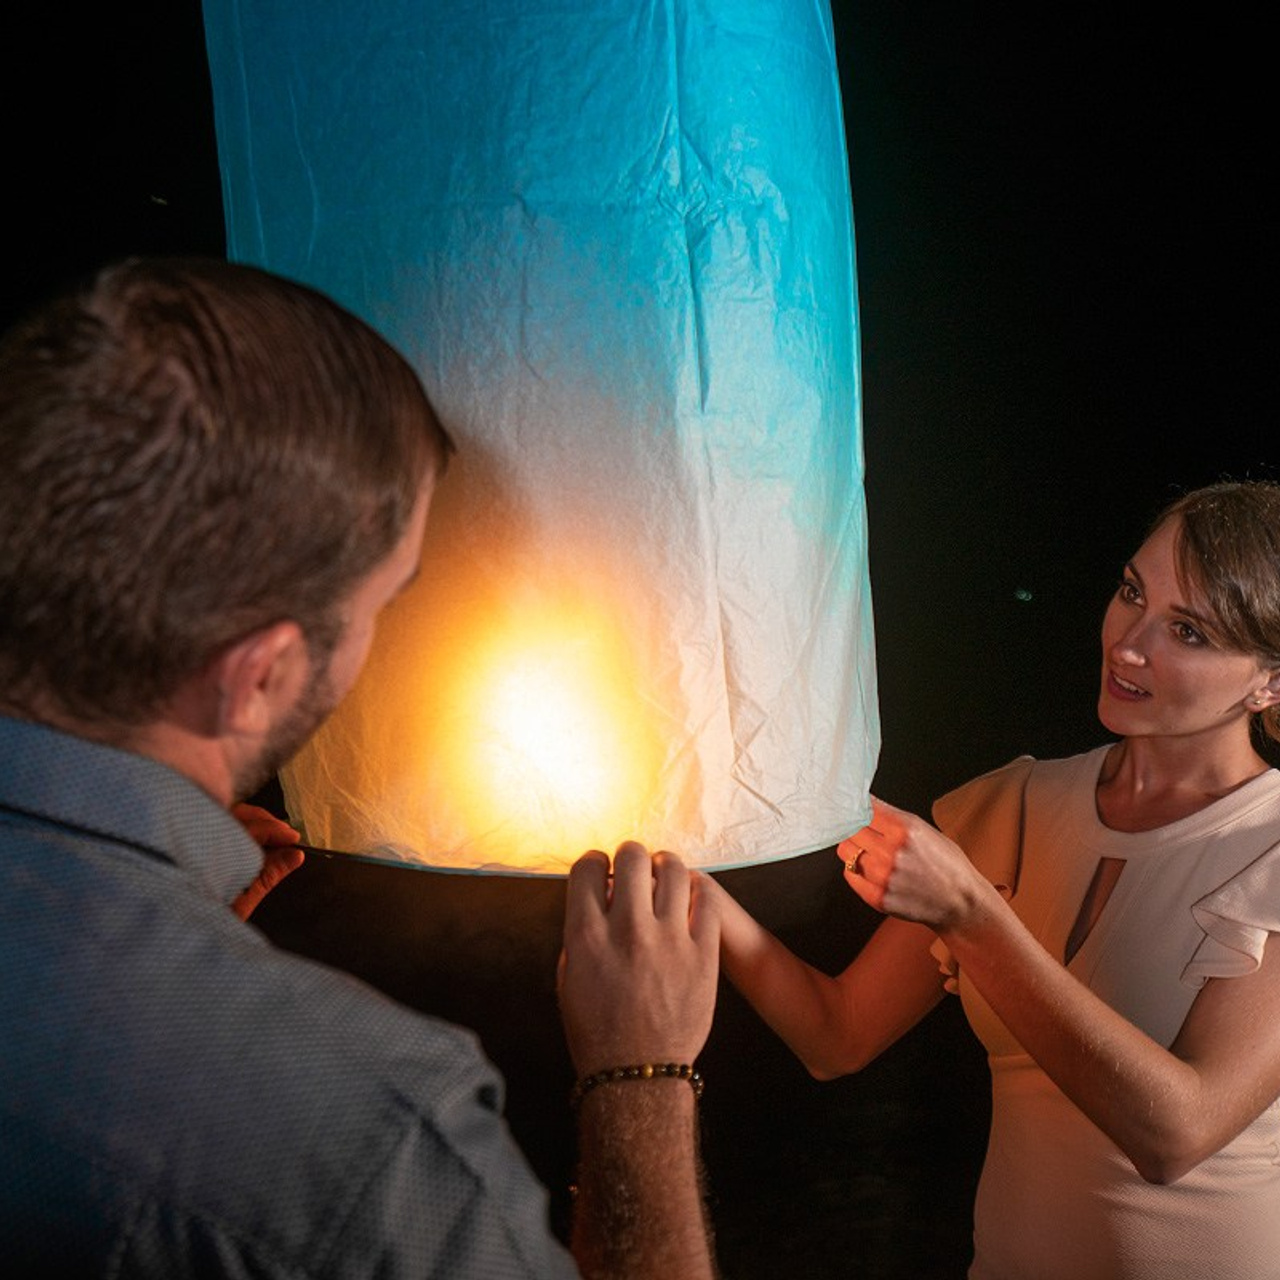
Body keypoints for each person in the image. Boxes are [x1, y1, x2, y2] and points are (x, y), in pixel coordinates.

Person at [0, 257, 720, 1279]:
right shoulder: (369, 1135)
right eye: (384, 599)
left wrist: (162, 931)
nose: (377, 641)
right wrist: (639, 1072)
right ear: (260, 675)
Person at [707, 480, 1280, 1279]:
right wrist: (692, 885)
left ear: (1271, 683)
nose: (1128, 644)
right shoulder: (1010, 808)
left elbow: (1176, 1133)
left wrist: (973, 918)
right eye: (1131, 593)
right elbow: (835, 1035)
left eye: (1188, 631)